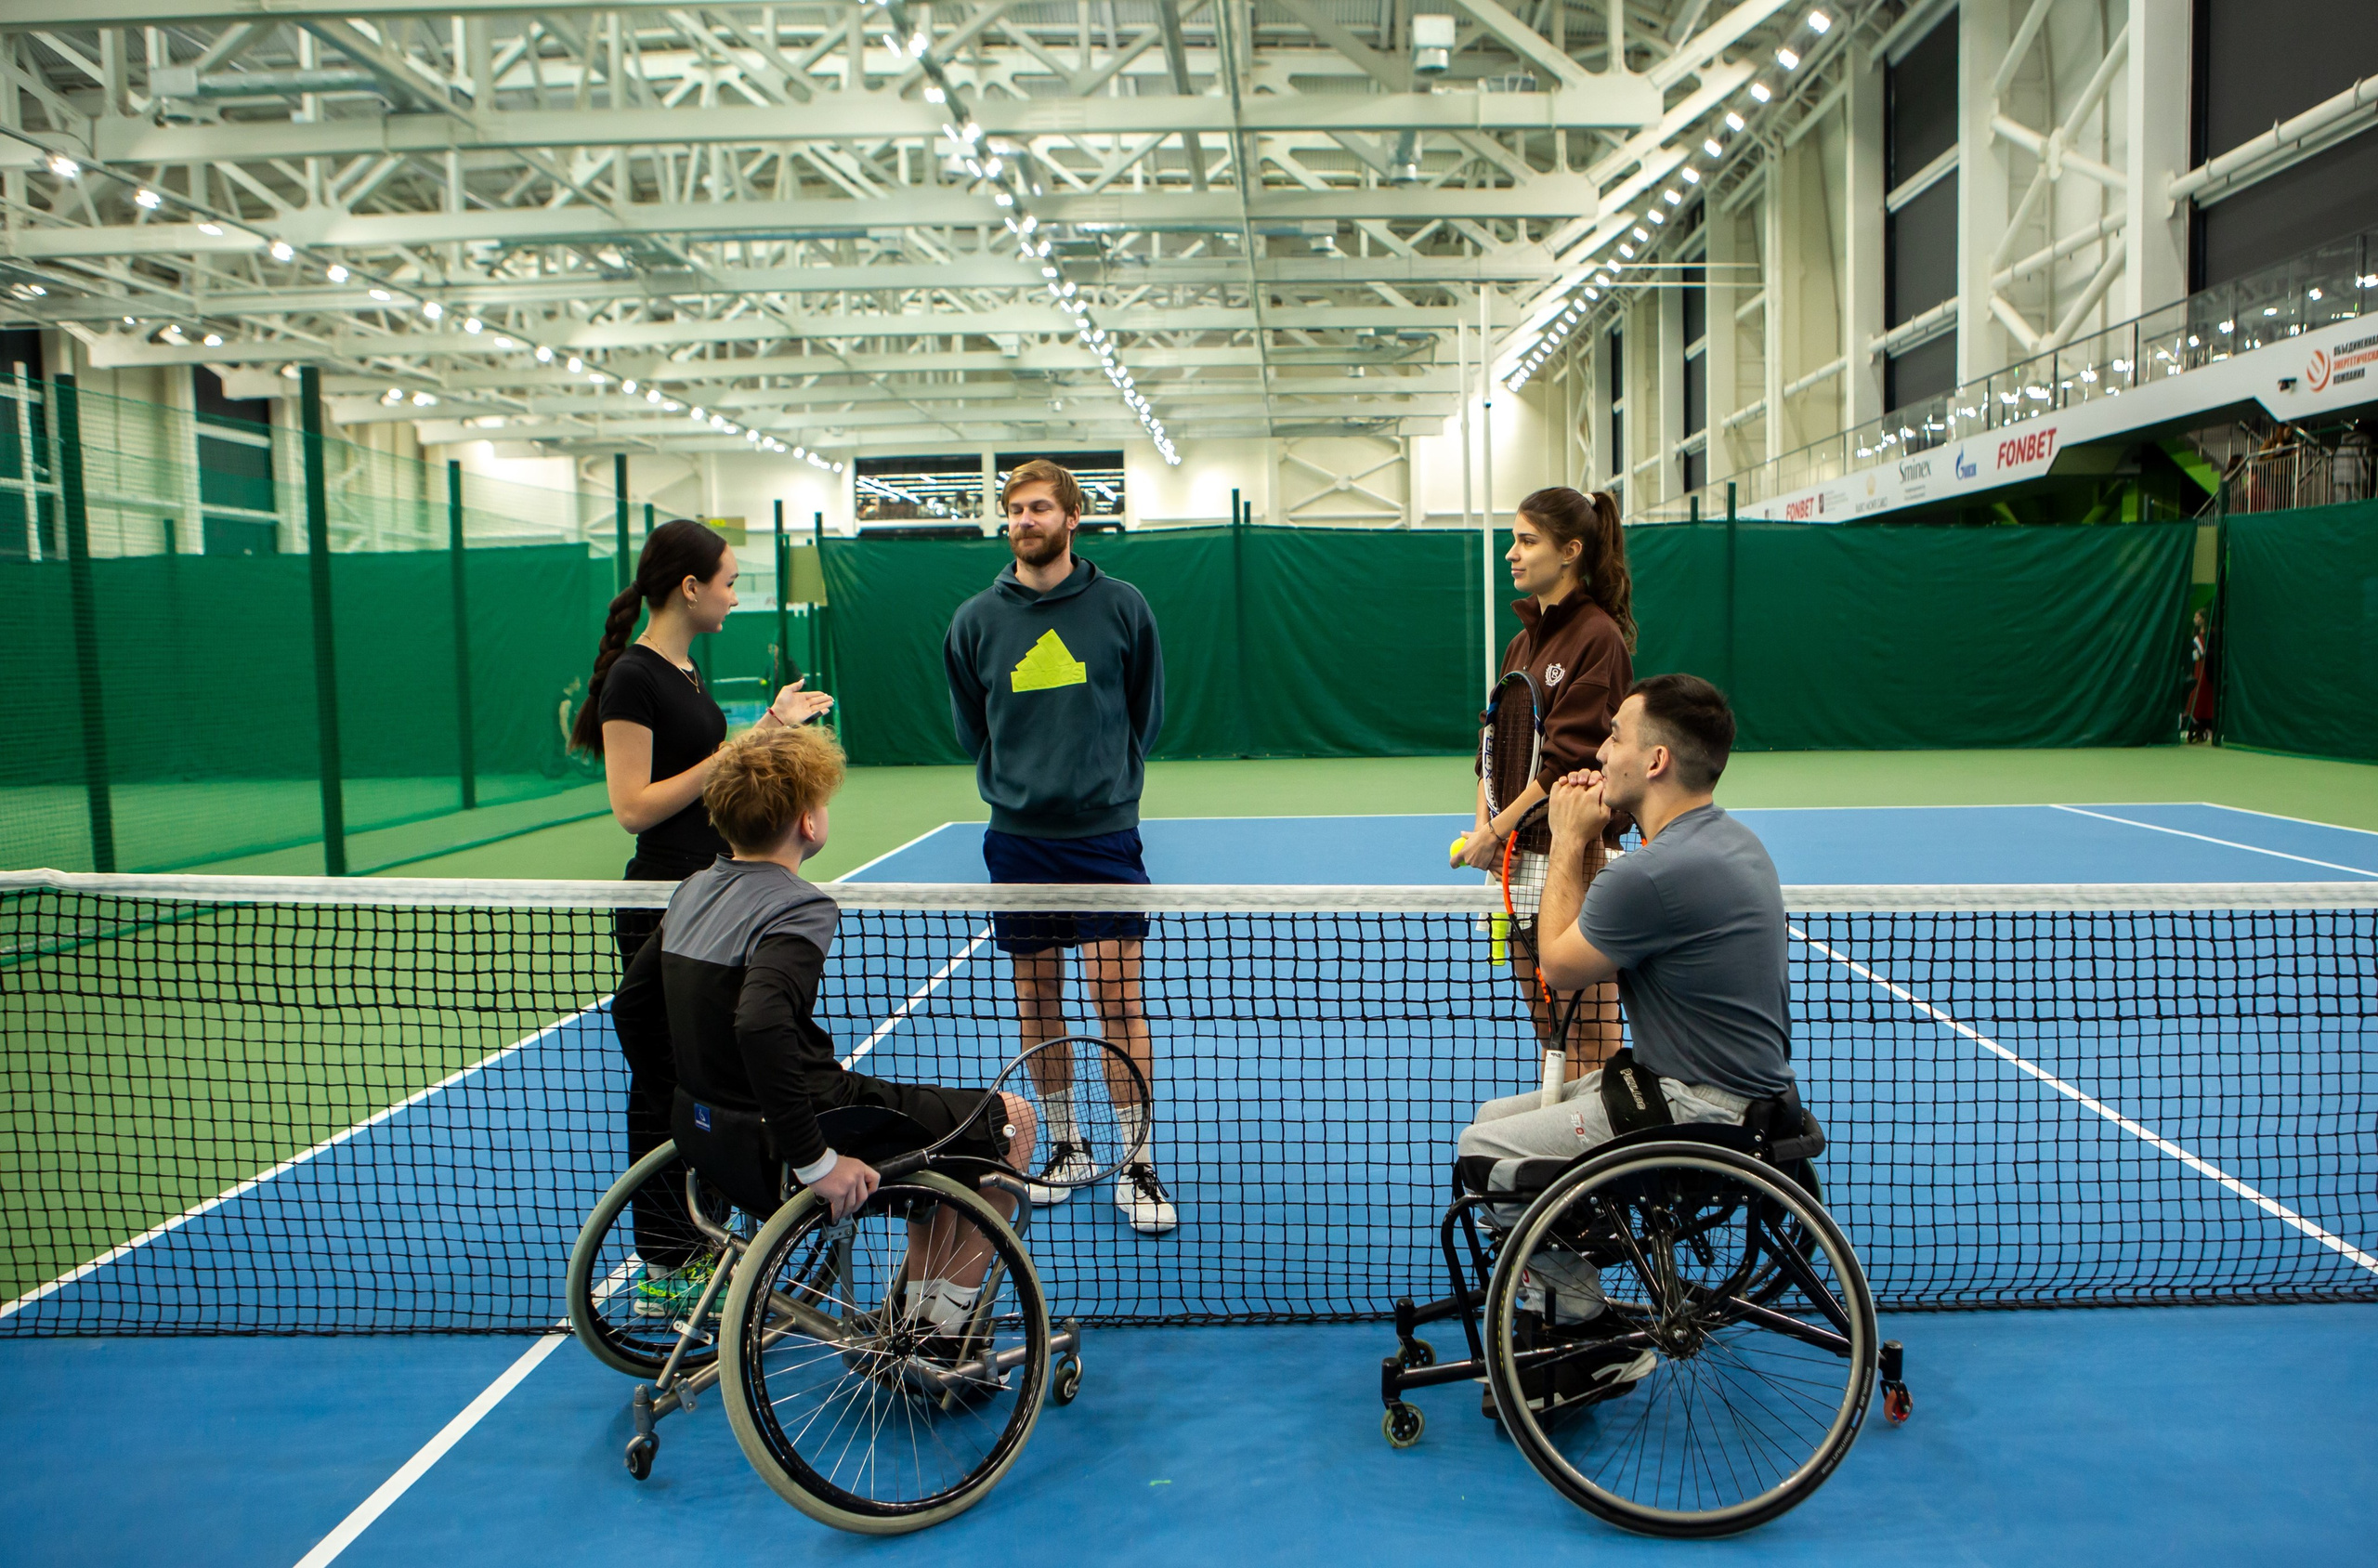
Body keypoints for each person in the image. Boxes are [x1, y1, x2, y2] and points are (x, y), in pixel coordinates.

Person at [610, 725, 1036, 1336]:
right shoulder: (798, 906)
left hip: (708, 1142)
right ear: (808, 824)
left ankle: (916, 1315)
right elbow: (760, 1024)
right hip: (804, 1130)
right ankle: (936, 1339)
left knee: (935, 1131)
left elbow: (633, 1007)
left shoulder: (691, 893)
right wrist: (814, 1161)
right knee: (1013, 1121)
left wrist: (688, 1105)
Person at [1457, 675, 1797, 1410]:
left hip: (1695, 1109)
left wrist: (1572, 836)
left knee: (1483, 1158)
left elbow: (1557, 964)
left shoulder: (1656, 871)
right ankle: (1565, 1285)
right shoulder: (1730, 841)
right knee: (1491, 1122)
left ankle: (1584, 1331)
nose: (1597, 749)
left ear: (1656, 761)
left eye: (1614, 734)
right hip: (1735, 1095)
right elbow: (1612, 919)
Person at [570, 517, 832, 1279]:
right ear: (690, 587)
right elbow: (634, 807)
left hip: (711, 894)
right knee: (666, 1089)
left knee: (712, 1085)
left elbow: (712, 771)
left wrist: (770, 728)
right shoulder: (633, 675)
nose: (733, 594)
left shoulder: (684, 672)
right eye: (727, 581)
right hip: (662, 901)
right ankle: (664, 1262)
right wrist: (734, 751)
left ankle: (705, 1237)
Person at [942, 458, 1175, 1235]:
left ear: (1073, 517)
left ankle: (1135, 1161)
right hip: (1018, 844)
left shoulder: (1122, 607)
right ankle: (1068, 1144)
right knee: (1037, 999)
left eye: (1039, 507)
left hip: (1105, 838)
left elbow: (1147, 712)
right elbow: (971, 727)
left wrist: (1103, 783)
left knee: (1117, 1001)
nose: (1024, 520)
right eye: (1013, 509)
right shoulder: (976, 620)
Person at [1457, 487, 1636, 1077]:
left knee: (1590, 1026)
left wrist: (1494, 834)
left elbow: (1563, 765)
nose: (1512, 553)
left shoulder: (1597, 638)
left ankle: (1606, 1152)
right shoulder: (1521, 642)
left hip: (1572, 856)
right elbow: (1491, 751)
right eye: (1514, 539)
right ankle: (1565, 1133)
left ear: (1570, 552)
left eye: (1527, 541)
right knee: (1546, 1022)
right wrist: (1487, 830)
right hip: (1514, 859)